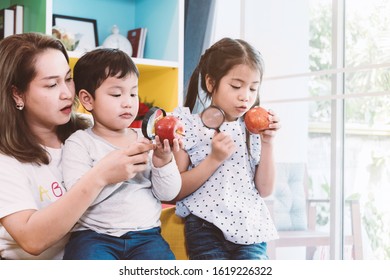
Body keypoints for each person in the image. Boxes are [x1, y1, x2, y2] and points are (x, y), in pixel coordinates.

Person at [0, 33, 154, 260]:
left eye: (68, 79)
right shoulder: (6, 159)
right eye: (52, 84)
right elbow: (32, 239)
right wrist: (100, 176)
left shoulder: (90, 132)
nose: (67, 93)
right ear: (17, 93)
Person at [61, 48, 182, 260]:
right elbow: (78, 198)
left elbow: (168, 194)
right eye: (117, 94)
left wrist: (164, 161)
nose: (128, 102)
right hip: (93, 238)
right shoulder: (79, 143)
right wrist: (115, 174)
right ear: (88, 100)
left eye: (133, 93)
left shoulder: (145, 138)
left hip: (147, 237)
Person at [172, 37, 281, 260]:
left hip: (250, 227)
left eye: (253, 88)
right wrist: (214, 159)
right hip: (205, 225)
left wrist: (268, 143)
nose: (245, 96)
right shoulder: (188, 125)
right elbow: (176, 189)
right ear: (211, 83)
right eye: (236, 86)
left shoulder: (254, 130)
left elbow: (265, 189)